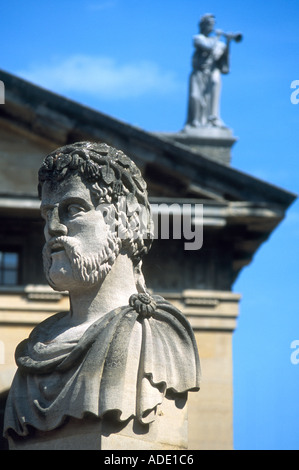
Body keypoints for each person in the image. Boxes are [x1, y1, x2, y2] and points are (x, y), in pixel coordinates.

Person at [4, 141, 200, 441]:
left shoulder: (154, 339)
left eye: (73, 209)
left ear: (124, 220)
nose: (53, 228)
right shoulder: (33, 356)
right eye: (47, 215)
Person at [185, 14, 230, 128]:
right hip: (198, 73)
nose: (212, 27)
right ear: (203, 25)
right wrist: (218, 37)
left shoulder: (219, 44)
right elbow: (208, 47)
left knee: (211, 98)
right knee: (195, 96)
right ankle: (195, 120)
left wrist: (228, 43)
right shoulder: (198, 38)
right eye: (209, 24)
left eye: (213, 25)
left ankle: (212, 119)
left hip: (211, 74)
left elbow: (224, 65)